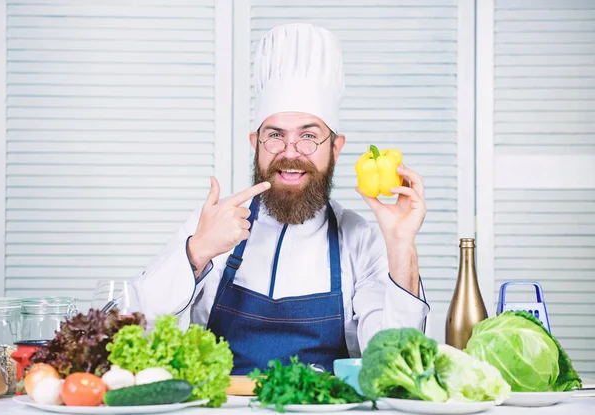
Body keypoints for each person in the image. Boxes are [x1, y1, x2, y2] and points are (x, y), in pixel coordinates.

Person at [130, 23, 430, 375]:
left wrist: (400, 245)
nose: (290, 153)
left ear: (336, 148)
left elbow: (396, 364)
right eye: (275, 136)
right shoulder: (215, 222)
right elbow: (138, 330)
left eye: (309, 137)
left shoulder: (358, 240)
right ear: (255, 144)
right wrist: (196, 253)